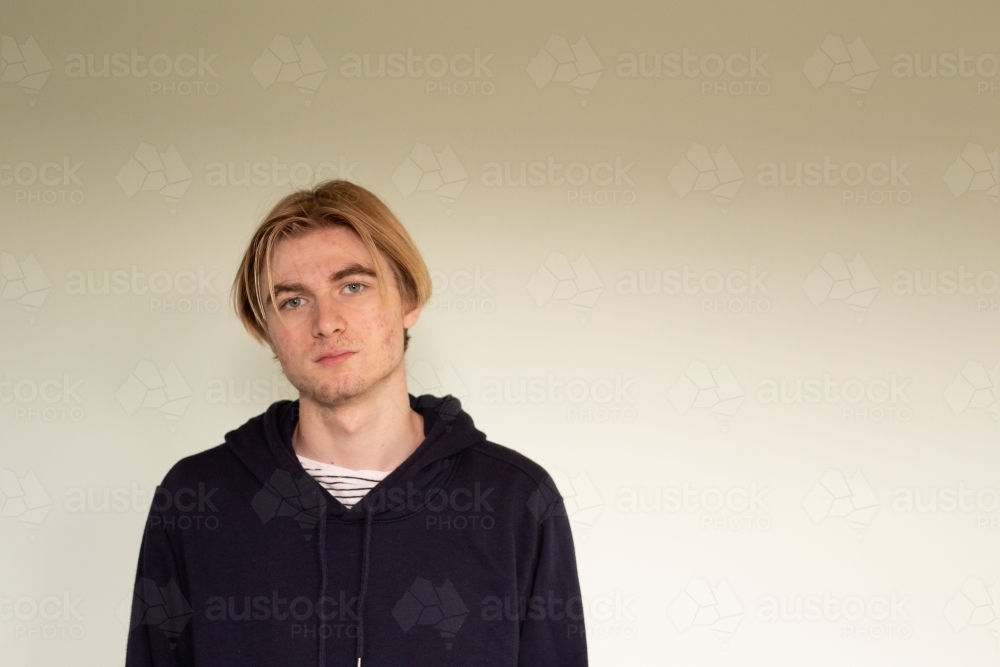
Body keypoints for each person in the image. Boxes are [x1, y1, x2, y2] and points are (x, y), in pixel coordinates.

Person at [125, 180, 588, 666]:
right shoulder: (197, 500)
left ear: (407, 300)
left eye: (353, 286)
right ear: (268, 329)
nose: (326, 322)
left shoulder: (514, 500)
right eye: (293, 301)